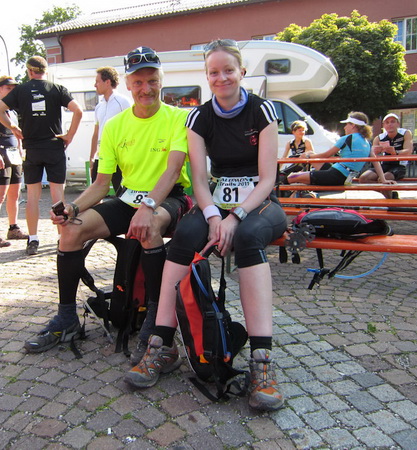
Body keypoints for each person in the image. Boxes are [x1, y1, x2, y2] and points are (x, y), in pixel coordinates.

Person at [124, 39, 287, 412]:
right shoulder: (198, 117)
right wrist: (214, 216)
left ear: (241, 72)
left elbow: (267, 179)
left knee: (248, 237)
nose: (221, 77)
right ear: (207, 76)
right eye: (214, 72)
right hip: (218, 203)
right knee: (185, 233)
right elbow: (199, 179)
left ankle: (262, 362)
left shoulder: (262, 110)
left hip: (259, 204)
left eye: (228, 70)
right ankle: (161, 345)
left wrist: (235, 217)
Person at [25, 46, 191, 360]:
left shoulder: (179, 118)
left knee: (149, 226)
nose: (145, 88)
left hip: (170, 197)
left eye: (152, 81)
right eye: (138, 82)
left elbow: (172, 172)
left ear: (161, 81)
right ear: (127, 84)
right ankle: (67, 317)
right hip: (128, 198)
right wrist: (72, 208)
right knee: (71, 229)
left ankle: (156, 319)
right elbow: (102, 184)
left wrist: (148, 206)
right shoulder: (115, 125)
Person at [0, 56, 83, 256]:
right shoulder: (57, 88)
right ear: (45, 71)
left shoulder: (20, 90)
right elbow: (78, 111)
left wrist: (13, 127)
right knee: (57, 197)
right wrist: (69, 135)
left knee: (32, 197)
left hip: (32, 148)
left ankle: (33, 239)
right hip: (54, 146)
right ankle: (62, 238)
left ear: (29, 71)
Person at [287, 112, 390, 189]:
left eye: (347, 124)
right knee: (311, 154)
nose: (344, 127)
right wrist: (383, 179)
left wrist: (308, 156)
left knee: (293, 177)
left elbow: (326, 155)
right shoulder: (367, 142)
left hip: (335, 176)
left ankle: (281, 189)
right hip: (344, 177)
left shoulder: (347, 138)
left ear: (353, 125)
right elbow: (376, 161)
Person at [0, 75, 28, 248]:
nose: (12, 91)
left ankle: (13, 227)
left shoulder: (13, 111)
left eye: (13, 89)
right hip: (1, 153)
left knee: (15, 194)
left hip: (14, 155)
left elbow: (16, 133)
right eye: (8, 88)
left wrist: (20, 148)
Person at [90, 66, 132, 192]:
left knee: (122, 193)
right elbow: (96, 133)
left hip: (119, 157)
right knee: (95, 192)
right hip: (101, 155)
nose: (95, 85)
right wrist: (92, 157)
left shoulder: (124, 102)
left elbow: (132, 128)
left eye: (97, 82)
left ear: (107, 82)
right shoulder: (99, 106)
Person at [358, 113, 413, 198]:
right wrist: (375, 152)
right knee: (363, 178)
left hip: (399, 166)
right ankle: (391, 195)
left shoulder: (405, 133)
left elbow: (409, 150)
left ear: (398, 124)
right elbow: (372, 155)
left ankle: (390, 201)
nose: (390, 124)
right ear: (383, 125)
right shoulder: (379, 137)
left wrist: (395, 152)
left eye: (392, 122)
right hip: (384, 165)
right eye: (387, 122)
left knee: (383, 179)